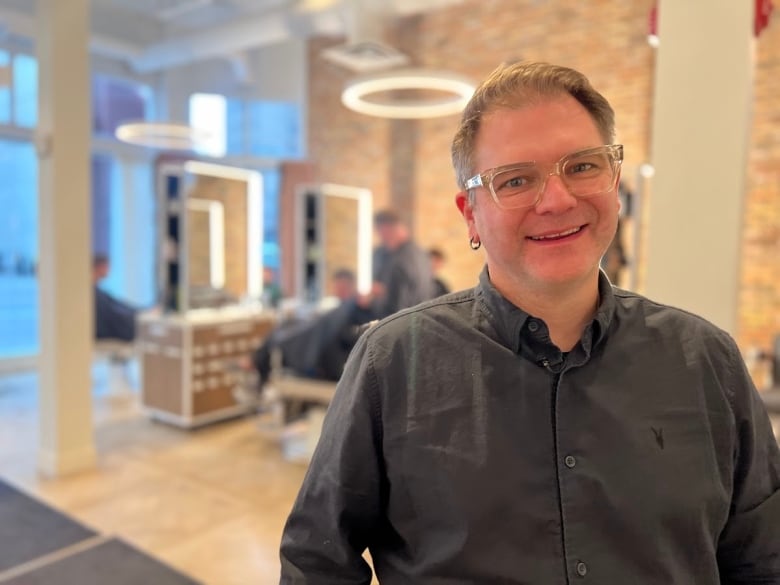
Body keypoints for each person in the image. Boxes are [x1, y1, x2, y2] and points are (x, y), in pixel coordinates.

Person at [279, 61, 780, 583]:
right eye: (515, 180)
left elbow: (762, 560)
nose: (558, 199)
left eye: (583, 166)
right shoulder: (391, 364)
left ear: (614, 181)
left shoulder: (705, 362)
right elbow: (317, 563)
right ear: (470, 213)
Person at [248, 268, 373, 392]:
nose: (335, 290)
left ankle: (256, 363)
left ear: (343, 286)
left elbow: (329, 328)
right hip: (321, 340)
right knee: (286, 327)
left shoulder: (350, 308)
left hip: (326, 355)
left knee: (282, 337)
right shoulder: (346, 308)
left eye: (337, 287)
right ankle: (256, 361)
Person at [369, 209, 437, 319]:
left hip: (405, 317)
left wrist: (384, 292)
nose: (383, 238)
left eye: (384, 233)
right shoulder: (384, 254)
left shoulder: (410, 256)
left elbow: (414, 292)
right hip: (397, 316)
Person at [93, 254, 138, 342]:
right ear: (101, 267)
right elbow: (114, 310)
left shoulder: (99, 292)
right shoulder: (95, 294)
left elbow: (118, 304)